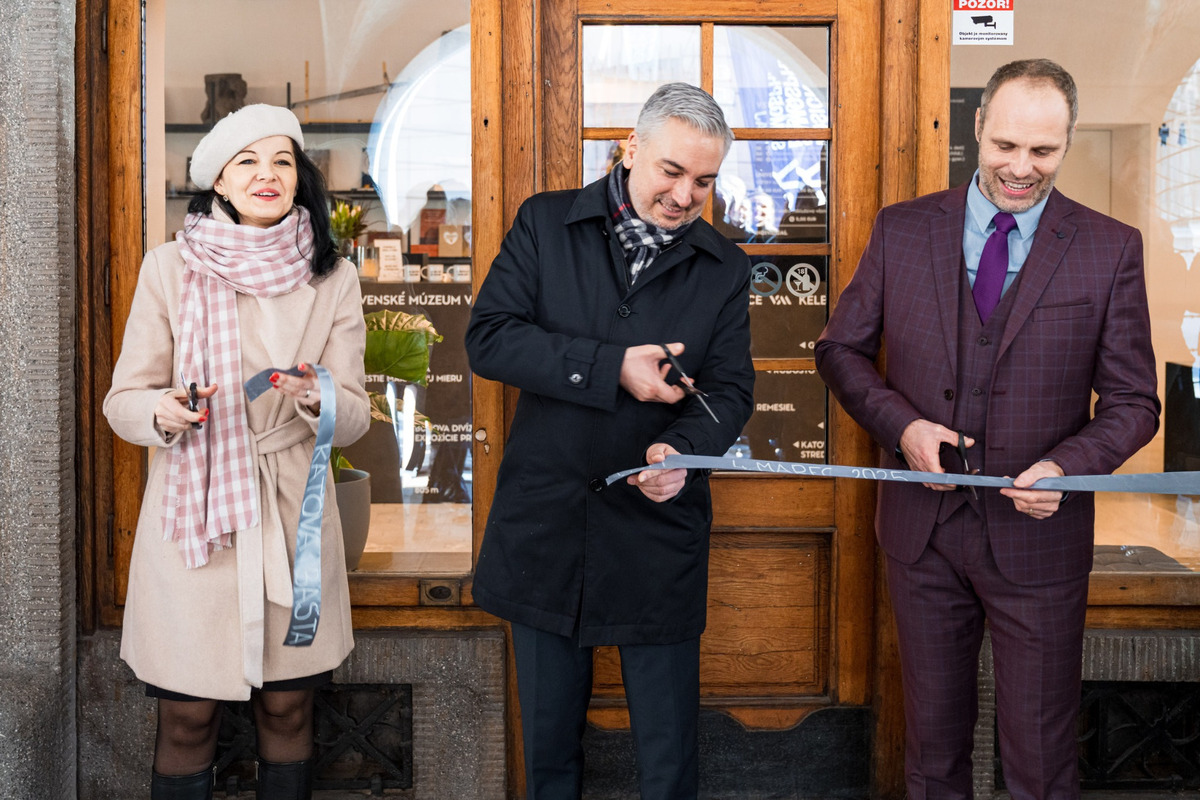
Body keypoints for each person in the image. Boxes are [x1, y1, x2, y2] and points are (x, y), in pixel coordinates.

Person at [815, 59, 1159, 799]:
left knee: (1041, 761)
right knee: (933, 756)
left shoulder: (1109, 248)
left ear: (1066, 144)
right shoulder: (902, 230)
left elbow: (1135, 400)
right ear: (977, 129)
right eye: (1005, 146)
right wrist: (901, 425)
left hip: (1039, 539)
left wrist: (1070, 466)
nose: (1020, 168)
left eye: (1043, 152)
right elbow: (839, 351)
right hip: (922, 534)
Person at [465, 82, 755, 799]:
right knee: (550, 755)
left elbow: (730, 392)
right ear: (631, 148)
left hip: (657, 532)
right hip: (547, 525)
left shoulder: (725, 266)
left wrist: (682, 455)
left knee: (667, 759)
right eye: (672, 171)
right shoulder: (544, 222)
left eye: (706, 181)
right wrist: (610, 367)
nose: (687, 195)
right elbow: (490, 339)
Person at [104, 104, 371, 800]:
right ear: (218, 180)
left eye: (282, 161)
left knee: (289, 705)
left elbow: (357, 415)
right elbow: (122, 400)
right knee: (188, 717)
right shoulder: (170, 268)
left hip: (291, 517)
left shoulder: (332, 277)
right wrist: (162, 410)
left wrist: (320, 399)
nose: (268, 174)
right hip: (195, 515)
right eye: (248, 161)